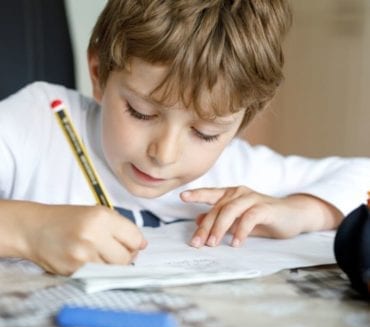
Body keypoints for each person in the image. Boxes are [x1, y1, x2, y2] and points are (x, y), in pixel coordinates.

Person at [0, 0, 369, 276]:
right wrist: (27, 230)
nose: (164, 153)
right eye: (141, 113)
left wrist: (301, 211)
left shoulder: (233, 169)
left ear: (242, 120)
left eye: (205, 133)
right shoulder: (37, 122)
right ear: (99, 74)